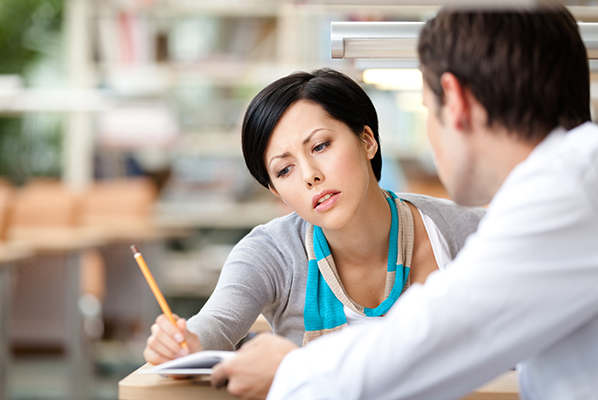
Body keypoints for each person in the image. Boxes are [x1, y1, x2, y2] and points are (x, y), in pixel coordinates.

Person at [210, 5, 598, 400]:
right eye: (284, 169)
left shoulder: (567, 193)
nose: (310, 174)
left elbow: (448, 330)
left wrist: (292, 369)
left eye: (428, 109)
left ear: (456, 100)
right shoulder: (573, 178)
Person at [143, 68, 485, 364]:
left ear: (367, 140)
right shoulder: (269, 253)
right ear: (276, 192)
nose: (310, 175)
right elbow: (216, 324)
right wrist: (185, 342)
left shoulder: (468, 232)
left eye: (320, 146)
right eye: (285, 169)